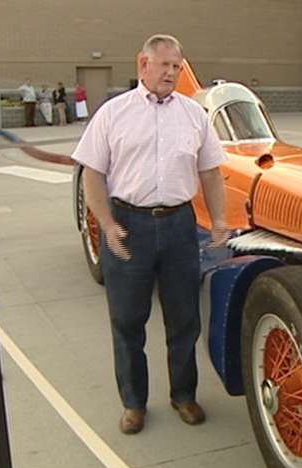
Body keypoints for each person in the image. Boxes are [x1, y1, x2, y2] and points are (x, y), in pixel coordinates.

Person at [72, 34, 229, 434]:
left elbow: (211, 172)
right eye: (165, 66)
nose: (172, 74)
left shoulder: (194, 116)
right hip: (128, 227)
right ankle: (133, 403)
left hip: (179, 228)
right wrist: (107, 225)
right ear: (143, 64)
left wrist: (220, 221)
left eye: (177, 67)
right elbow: (93, 173)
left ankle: (183, 395)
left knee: (184, 319)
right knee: (127, 319)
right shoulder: (113, 113)